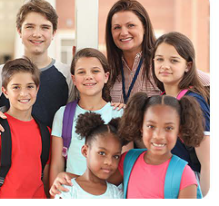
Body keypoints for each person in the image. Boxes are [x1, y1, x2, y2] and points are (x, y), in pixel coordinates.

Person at [50, 93, 205, 199]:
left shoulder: (185, 174)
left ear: (180, 130)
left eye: (169, 128)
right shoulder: (129, 160)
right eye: (151, 126)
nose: (158, 135)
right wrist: (68, 177)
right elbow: (97, 183)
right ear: (140, 127)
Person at [0, 0, 75, 137]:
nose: (37, 34)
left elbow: (69, 123)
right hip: (10, 156)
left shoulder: (67, 74)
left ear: (54, 32)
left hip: (53, 157)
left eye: (45, 27)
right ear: (19, 31)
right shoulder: (0, 73)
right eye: (30, 27)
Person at [49, 48, 128, 191]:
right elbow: (56, 165)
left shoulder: (120, 114)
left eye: (95, 71)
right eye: (81, 72)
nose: (88, 76)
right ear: (73, 79)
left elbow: (125, 165)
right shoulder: (63, 114)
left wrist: (91, 186)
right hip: (72, 195)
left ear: (106, 76)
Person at [105, 0, 210, 104]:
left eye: (131, 25)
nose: (123, 33)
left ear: (144, 27)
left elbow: (206, 80)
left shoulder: (161, 63)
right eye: (117, 27)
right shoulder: (108, 69)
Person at [0, 57, 50, 198]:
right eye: (16, 87)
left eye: (29, 86)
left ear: (37, 89)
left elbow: (46, 180)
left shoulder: (45, 132)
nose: (23, 93)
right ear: (5, 91)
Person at [152, 31, 210, 196]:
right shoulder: (159, 100)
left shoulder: (194, 102)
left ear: (188, 66)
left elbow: (208, 163)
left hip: (190, 187)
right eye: (160, 59)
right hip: (165, 184)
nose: (164, 65)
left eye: (174, 60)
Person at [55, 112, 125, 199]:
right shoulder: (68, 190)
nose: (109, 162)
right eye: (102, 153)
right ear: (85, 151)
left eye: (116, 156)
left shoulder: (116, 194)